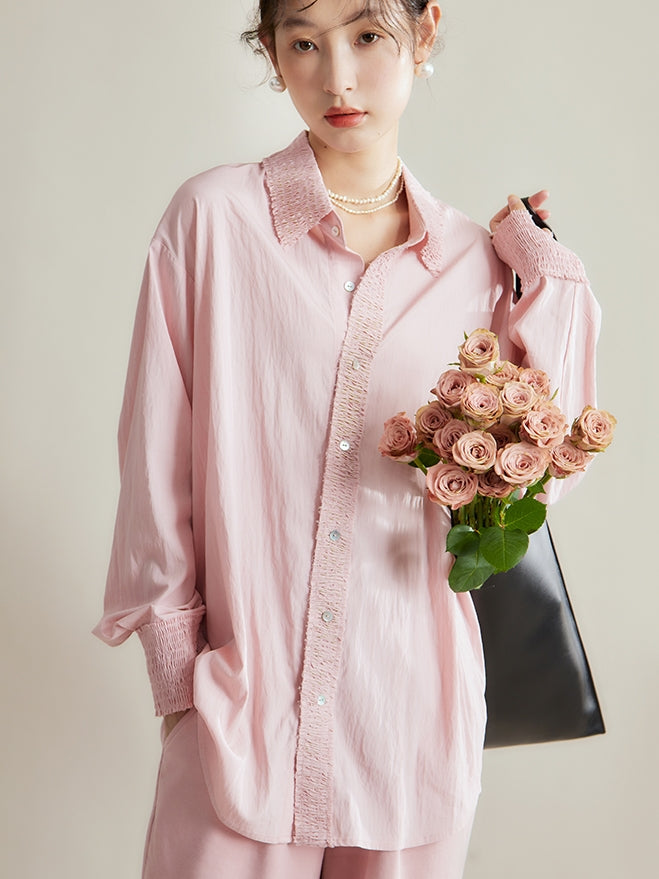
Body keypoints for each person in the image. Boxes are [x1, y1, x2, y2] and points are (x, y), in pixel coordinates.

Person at [94, 1, 600, 877]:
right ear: (271, 52)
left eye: (366, 36)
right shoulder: (212, 220)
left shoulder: (476, 265)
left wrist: (544, 273)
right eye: (302, 43)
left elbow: (539, 479)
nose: (336, 77)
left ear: (424, 31)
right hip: (240, 719)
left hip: (410, 724)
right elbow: (154, 456)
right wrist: (181, 687)